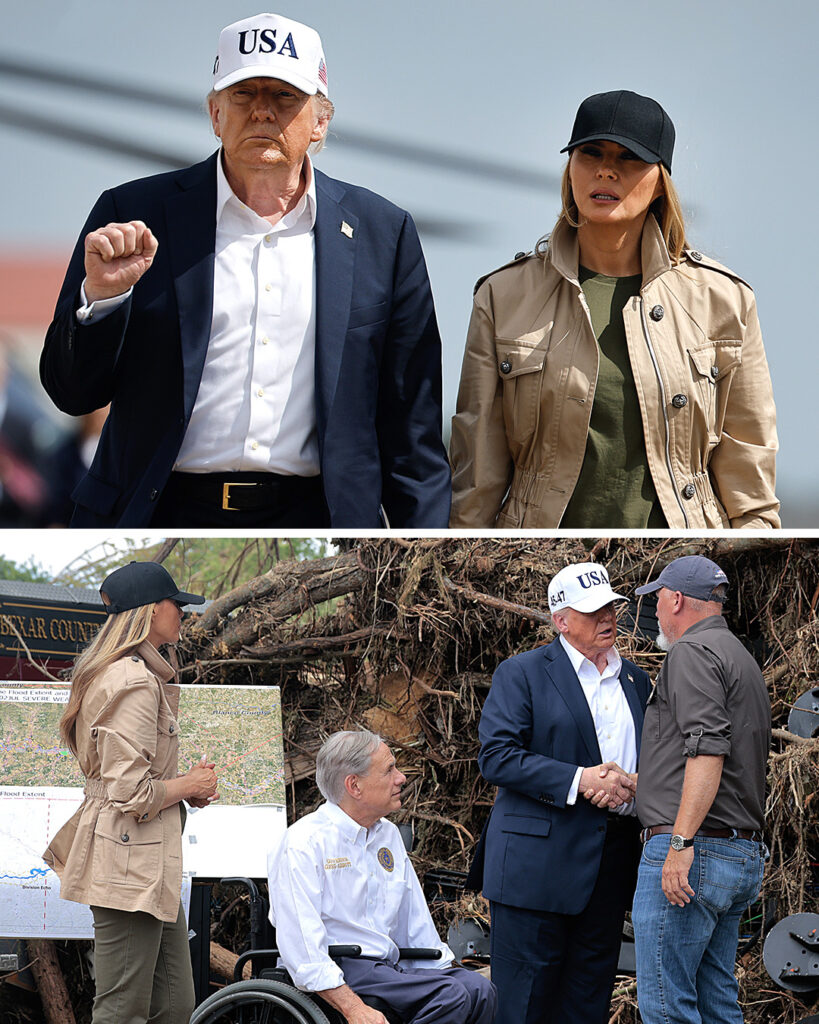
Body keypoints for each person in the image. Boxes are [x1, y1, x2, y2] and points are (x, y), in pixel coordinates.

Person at [40, 12, 451, 529]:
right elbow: (71, 393)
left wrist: (419, 553)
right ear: (215, 114)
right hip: (157, 513)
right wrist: (101, 299)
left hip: (320, 524)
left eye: (283, 96)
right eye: (243, 94)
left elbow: (413, 435)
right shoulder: (132, 214)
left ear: (320, 121)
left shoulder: (383, 235)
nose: (262, 112)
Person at [449, 89, 779, 529]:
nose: (606, 170)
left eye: (629, 158)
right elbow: (476, 482)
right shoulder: (502, 296)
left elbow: (752, 494)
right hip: (534, 554)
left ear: (661, 179)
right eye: (590, 153)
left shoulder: (725, 302)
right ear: (570, 169)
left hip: (682, 550)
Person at [42, 561, 219, 1024]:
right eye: (175, 603)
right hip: (128, 864)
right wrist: (188, 785)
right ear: (149, 610)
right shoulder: (134, 682)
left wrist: (182, 792)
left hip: (147, 862)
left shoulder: (138, 675)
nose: (182, 611)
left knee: (174, 1006)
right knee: (122, 1010)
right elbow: (131, 792)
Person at [477, 562, 651, 1024]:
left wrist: (637, 789)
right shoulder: (524, 673)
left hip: (609, 868)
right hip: (535, 872)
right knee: (525, 1005)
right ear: (560, 620)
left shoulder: (636, 680)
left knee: (587, 1003)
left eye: (611, 607)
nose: (607, 617)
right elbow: (496, 757)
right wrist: (582, 780)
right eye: (593, 611)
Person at [268, 730, 496, 1024]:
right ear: (355, 785)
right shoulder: (303, 842)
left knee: (480, 989)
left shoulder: (387, 834)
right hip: (340, 969)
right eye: (389, 770)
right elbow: (303, 950)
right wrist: (354, 1008)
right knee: (453, 994)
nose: (401, 778)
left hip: (386, 968)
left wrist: (449, 967)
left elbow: (414, 924)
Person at [631, 555, 770, 1024]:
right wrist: (642, 785)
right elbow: (726, 760)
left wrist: (680, 842)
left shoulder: (690, 653)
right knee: (716, 1004)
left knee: (668, 1008)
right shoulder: (739, 657)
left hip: (697, 854)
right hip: (737, 856)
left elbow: (708, 752)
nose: (657, 616)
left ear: (674, 600)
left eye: (658, 603)